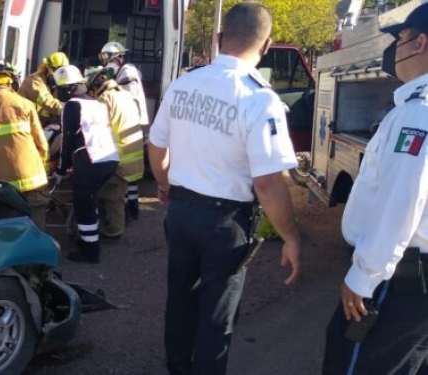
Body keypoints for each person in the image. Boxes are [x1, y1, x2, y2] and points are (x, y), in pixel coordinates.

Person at [147, 3, 302, 374]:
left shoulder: (184, 84)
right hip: (225, 223)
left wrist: (166, 185)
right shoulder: (259, 99)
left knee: (180, 303)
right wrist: (291, 236)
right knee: (215, 318)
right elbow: (267, 181)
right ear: (266, 47)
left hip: (181, 213)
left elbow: (156, 147)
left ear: (219, 39)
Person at [322, 4, 428, 374]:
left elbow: (402, 200)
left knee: (351, 361)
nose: (394, 50)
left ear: (420, 44)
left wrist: (364, 277)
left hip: (399, 283)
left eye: (399, 40)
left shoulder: (418, 112)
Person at [51, 65, 119, 263]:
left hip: (92, 160)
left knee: (83, 203)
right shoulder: (96, 103)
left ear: (68, 88)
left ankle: (90, 251)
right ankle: (90, 238)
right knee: (90, 200)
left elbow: (67, 140)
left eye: (60, 89)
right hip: (109, 159)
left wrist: (61, 170)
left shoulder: (72, 105)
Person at [0, 60, 50, 228]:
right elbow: (42, 144)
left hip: (2, 183)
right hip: (32, 177)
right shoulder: (24, 104)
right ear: (11, 81)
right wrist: (43, 166)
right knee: (36, 222)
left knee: (10, 224)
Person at [86, 66, 143, 239]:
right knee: (117, 194)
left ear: (96, 86)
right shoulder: (126, 95)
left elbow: (100, 129)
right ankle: (120, 222)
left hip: (119, 159)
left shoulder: (105, 99)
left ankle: (113, 232)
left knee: (111, 197)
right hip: (134, 155)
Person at [99, 41, 149, 223]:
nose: (108, 63)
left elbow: (126, 99)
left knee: (126, 172)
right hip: (132, 123)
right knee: (132, 174)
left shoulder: (127, 72)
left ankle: (129, 211)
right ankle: (133, 209)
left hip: (130, 125)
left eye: (109, 58)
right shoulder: (126, 72)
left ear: (118, 57)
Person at [18, 51, 68, 126]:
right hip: (25, 123)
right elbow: (47, 102)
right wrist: (69, 109)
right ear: (48, 68)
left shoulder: (48, 82)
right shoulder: (34, 81)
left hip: (38, 123)